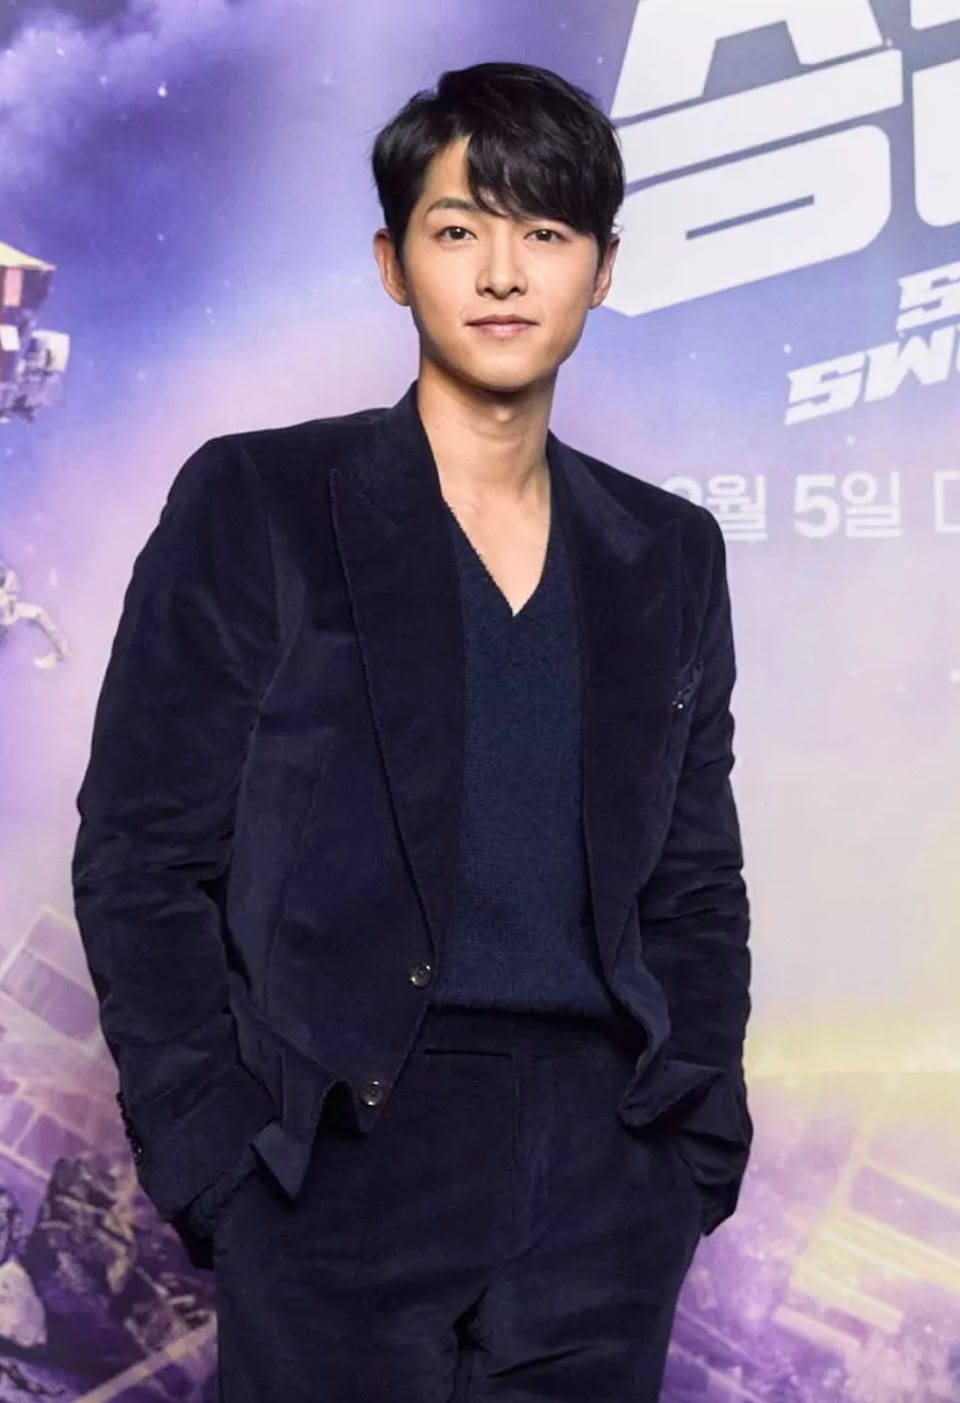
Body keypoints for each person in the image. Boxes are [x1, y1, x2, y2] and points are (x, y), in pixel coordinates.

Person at [71, 60, 753, 1403]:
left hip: (605, 1173)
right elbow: (141, 854)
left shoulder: (667, 550)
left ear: (603, 271)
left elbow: (693, 878)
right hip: (339, 1151)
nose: (502, 272)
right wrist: (223, 1163)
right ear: (393, 264)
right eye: (458, 229)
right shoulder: (262, 499)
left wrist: (688, 1149)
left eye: (544, 231)